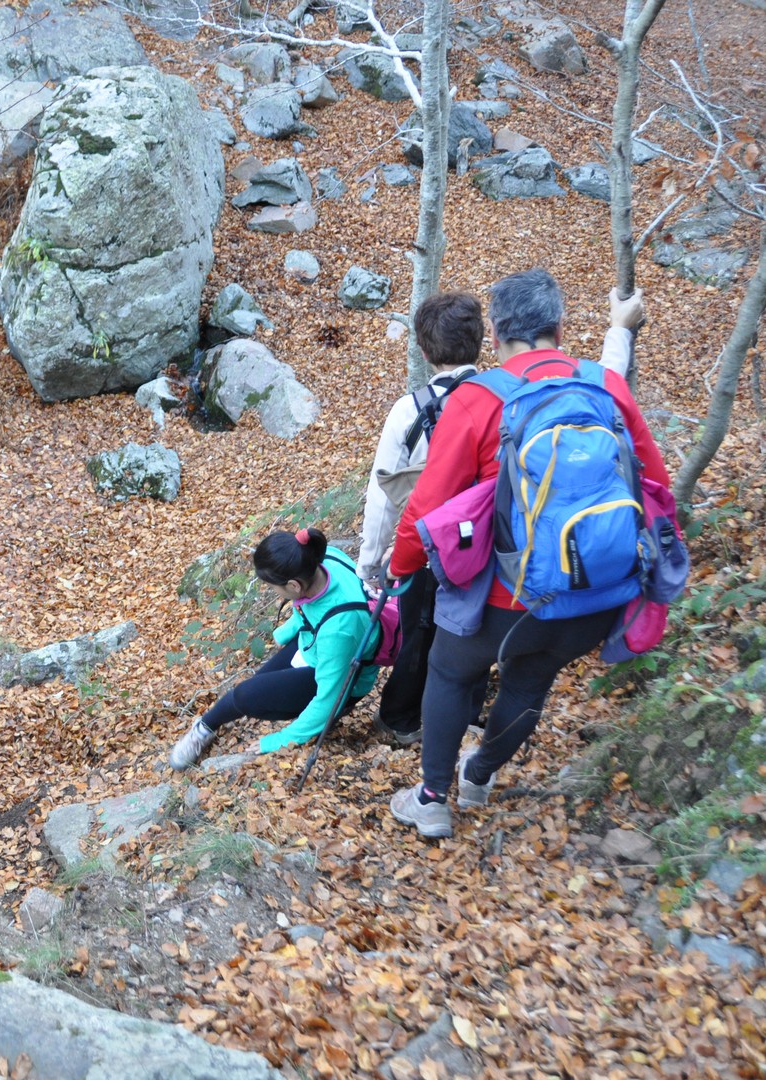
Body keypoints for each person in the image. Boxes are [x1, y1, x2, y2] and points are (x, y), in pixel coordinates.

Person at [387, 269, 671, 838]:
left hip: (504, 596)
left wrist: (401, 568)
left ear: (495, 333)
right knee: (528, 684)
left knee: (449, 671)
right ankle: (479, 775)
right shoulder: (605, 385)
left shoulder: (478, 399)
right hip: (594, 591)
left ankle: (432, 799)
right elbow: (656, 486)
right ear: (559, 327)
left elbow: (427, 504)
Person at [357, 292, 486, 745]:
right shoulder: (501, 397)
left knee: (419, 631)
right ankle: (465, 714)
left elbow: (383, 495)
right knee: (475, 631)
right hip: (490, 543)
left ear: (425, 352)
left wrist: (370, 561)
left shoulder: (410, 411)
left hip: (428, 546)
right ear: (479, 342)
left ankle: (401, 718)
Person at [170, 528, 381, 769]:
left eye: (273, 587)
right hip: (316, 645)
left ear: (293, 585)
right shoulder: (323, 560)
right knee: (257, 684)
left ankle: (204, 729)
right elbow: (310, 603)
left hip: (346, 678)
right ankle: (205, 727)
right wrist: (289, 629)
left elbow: (330, 696)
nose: (273, 591)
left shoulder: (339, 629)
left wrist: (282, 739)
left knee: (245, 695)